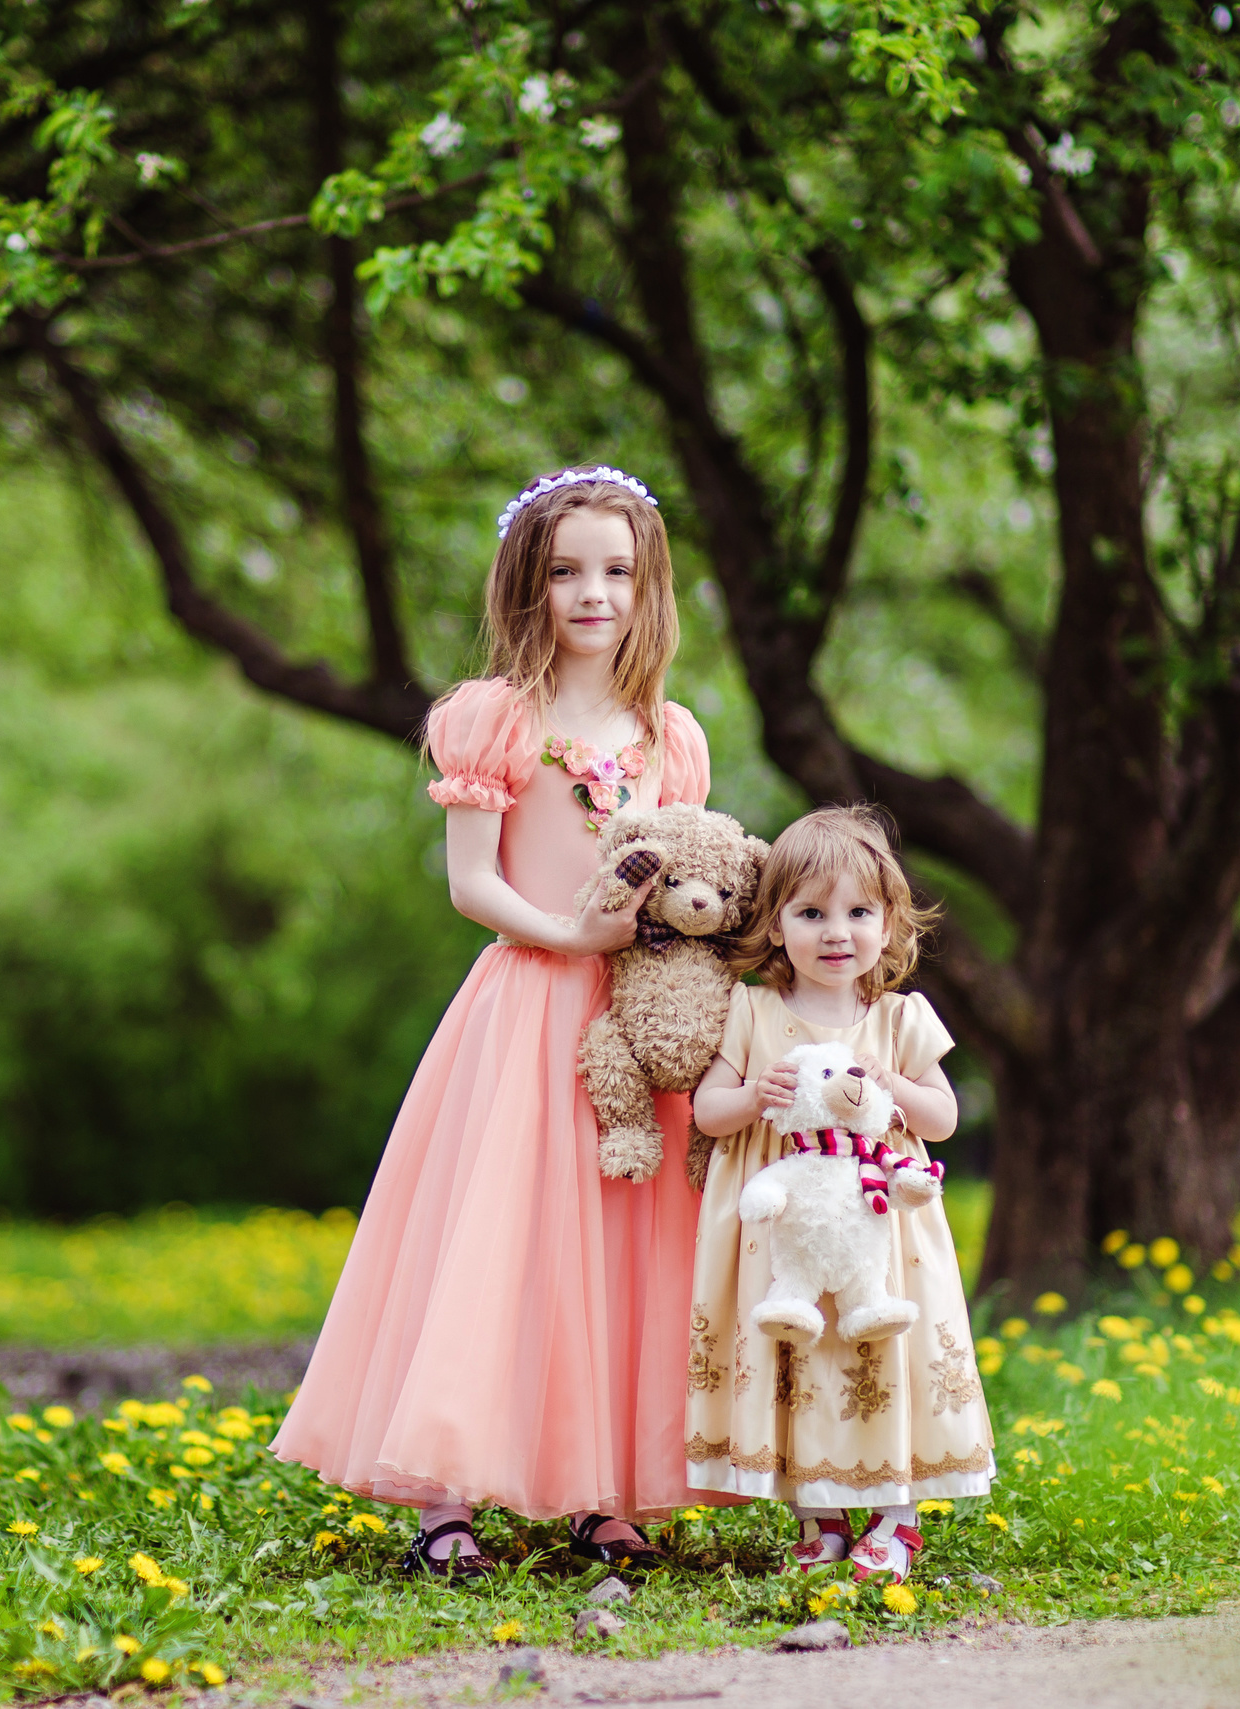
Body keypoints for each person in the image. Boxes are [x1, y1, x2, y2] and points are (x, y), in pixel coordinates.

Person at [271, 465, 715, 1577]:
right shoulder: (495, 720)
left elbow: (689, 880)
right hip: (529, 1007)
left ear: (648, 585)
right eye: (565, 571)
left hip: (634, 1017)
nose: (592, 593)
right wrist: (572, 936)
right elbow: (472, 882)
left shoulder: (669, 734)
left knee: (622, 1244)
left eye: (616, 571)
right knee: (501, 1240)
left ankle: (603, 1492)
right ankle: (446, 1497)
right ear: (528, 584)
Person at [685, 805, 995, 1582]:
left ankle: (895, 1515)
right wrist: (754, 1095)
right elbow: (708, 1111)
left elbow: (944, 1117)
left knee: (880, 1351)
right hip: (787, 1236)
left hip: (883, 1236)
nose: (837, 932)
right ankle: (818, 1514)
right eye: (812, 913)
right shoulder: (753, 1010)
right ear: (775, 922)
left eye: (859, 912)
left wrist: (895, 1088)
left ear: (888, 925)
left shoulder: (899, 1019)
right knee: (802, 1358)